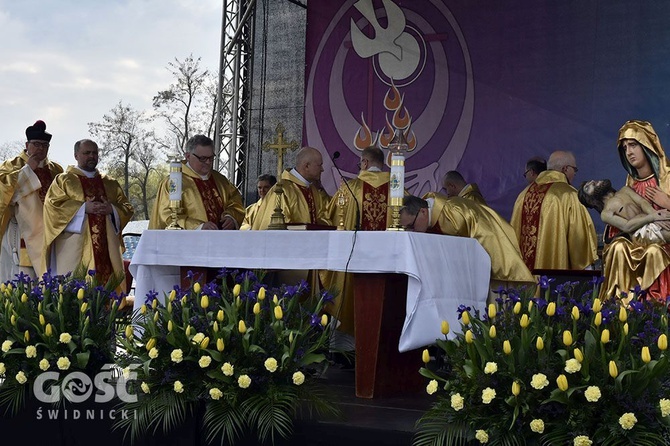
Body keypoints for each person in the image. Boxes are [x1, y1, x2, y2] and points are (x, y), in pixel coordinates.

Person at [320, 146, 392, 350]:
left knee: (347, 293)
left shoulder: (350, 189)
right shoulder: (398, 190)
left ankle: (345, 350)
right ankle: (382, 346)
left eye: (361, 163)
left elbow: (330, 220)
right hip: (386, 262)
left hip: (353, 261)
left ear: (366, 163)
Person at [43, 139, 134, 291]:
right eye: (86, 153)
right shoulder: (64, 180)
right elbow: (53, 207)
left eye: (94, 153)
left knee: (106, 293)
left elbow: (127, 207)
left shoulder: (110, 183)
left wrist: (111, 209)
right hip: (75, 247)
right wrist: (83, 208)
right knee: (76, 293)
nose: (91, 156)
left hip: (106, 247)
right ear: (76, 155)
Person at [399, 194, 535, 294]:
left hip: (493, 249)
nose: (412, 231)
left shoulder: (451, 214)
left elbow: (465, 247)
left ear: (423, 211)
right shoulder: (432, 214)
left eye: (411, 225)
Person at [599, 120, 670, 300]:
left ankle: (655, 308)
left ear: (646, 145)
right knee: (617, 247)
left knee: (654, 252)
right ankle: (621, 308)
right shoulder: (630, 184)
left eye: (633, 145)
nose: (629, 152)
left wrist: (666, 202)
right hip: (636, 241)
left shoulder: (666, 178)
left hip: (663, 245)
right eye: (624, 148)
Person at [510, 150, 598, 271]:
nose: (575, 174)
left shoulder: (523, 195)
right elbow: (579, 243)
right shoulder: (569, 195)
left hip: (524, 284)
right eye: (575, 170)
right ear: (566, 169)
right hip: (553, 282)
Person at [0, 120, 63, 282]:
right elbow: (3, 192)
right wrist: (27, 170)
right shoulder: (11, 165)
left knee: (49, 276)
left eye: (44, 145)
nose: (40, 148)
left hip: (51, 232)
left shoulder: (56, 170)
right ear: (27, 144)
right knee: (24, 279)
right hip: (21, 230)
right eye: (36, 144)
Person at [150, 134, 245, 230]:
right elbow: (166, 214)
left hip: (220, 241)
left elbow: (235, 202)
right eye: (203, 158)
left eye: (211, 158)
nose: (208, 162)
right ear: (188, 156)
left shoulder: (220, 180)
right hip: (189, 242)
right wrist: (198, 227)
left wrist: (231, 217)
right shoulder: (174, 181)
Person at [250, 146, 331, 229]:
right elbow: (276, 228)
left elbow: (323, 217)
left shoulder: (313, 190)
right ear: (306, 166)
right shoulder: (282, 190)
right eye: (319, 165)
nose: (322, 169)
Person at [578, 179, 670, 244]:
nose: (592, 182)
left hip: (652, 219)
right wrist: (651, 218)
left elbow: (642, 202)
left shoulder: (624, 190)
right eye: (587, 187)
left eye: (590, 181)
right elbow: (627, 226)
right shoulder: (606, 213)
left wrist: (655, 214)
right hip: (640, 232)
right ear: (590, 200)